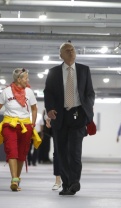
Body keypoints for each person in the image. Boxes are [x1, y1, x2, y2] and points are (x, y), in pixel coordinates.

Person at [44, 42, 95, 196]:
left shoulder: (84, 70)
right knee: (61, 152)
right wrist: (50, 109)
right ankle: (66, 185)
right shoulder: (53, 72)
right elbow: (48, 93)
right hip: (60, 116)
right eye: (67, 50)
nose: (71, 52)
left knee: (74, 152)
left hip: (78, 115)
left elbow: (90, 93)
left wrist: (87, 109)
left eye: (72, 50)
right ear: (61, 55)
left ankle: (74, 182)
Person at [0, 68, 41, 191]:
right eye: (26, 78)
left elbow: (34, 108)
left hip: (25, 126)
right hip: (9, 124)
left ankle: (17, 179)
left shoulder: (29, 92)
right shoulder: (6, 92)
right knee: (12, 151)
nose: (28, 80)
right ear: (19, 79)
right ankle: (14, 179)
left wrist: (33, 123)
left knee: (22, 153)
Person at [45, 117, 62, 191]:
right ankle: (57, 180)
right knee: (57, 152)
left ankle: (70, 180)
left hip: (72, 120)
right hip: (57, 120)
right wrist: (48, 117)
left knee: (70, 151)